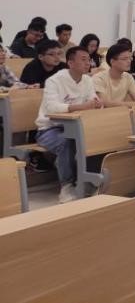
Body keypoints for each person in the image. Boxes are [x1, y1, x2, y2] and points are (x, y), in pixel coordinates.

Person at [35, 46, 103, 203]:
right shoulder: (54, 81)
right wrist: (82, 107)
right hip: (49, 129)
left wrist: (96, 104)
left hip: (77, 127)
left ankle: (88, 181)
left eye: (89, 60)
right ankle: (66, 186)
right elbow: (52, 108)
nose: (88, 63)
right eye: (83, 60)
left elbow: (93, 101)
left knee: (97, 139)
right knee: (66, 142)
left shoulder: (87, 80)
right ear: (70, 63)